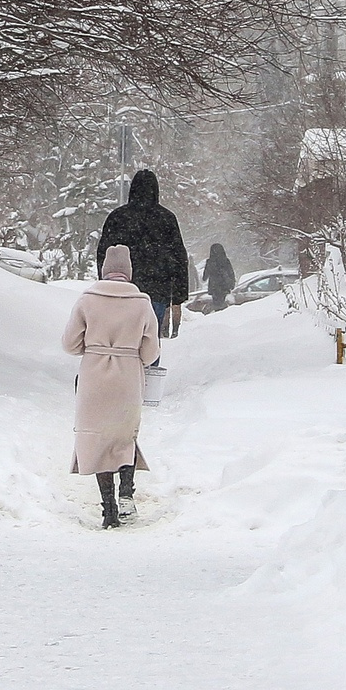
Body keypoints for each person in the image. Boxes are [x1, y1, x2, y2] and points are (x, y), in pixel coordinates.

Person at [63, 245, 159, 528]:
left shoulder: (87, 300)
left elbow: (69, 344)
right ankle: (127, 492)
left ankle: (109, 509)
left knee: (97, 439)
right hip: (128, 377)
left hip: (93, 377)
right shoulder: (142, 302)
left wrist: (94, 347)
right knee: (123, 435)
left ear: (104, 270)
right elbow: (151, 352)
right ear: (129, 273)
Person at [95, 169, 189, 348]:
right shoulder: (166, 218)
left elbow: (103, 253)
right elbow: (179, 257)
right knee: (151, 339)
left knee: (122, 336)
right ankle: (149, 373)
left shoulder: (118, 217)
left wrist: (104, 283)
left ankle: (123, 370)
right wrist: (177, 295)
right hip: (157, 290)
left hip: (122, 289)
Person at [203, 242, 236, 312]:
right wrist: (232, 283)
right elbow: (231, 273)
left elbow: (204, 277)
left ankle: (218, 315)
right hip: (224, 286)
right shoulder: (226, 261)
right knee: (223, 304)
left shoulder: (210, 262)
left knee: (216, 305)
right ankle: (223, 314)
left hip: (214, 287)